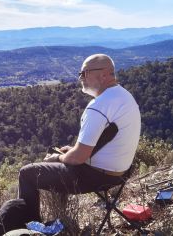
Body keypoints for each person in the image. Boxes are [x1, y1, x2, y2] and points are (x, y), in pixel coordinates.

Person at [18, 54, 141, 221]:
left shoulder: (99, 106)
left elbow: (78, 158)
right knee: (62, 159)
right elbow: (106, 138)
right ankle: (58, 220)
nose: (81, 78)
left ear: (104, 74)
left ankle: (28, 226)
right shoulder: (124, 96)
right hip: (121, 173)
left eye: (84, 73)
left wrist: (59, 157)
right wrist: (73, 151)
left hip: (96, 176)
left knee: (27, 174)